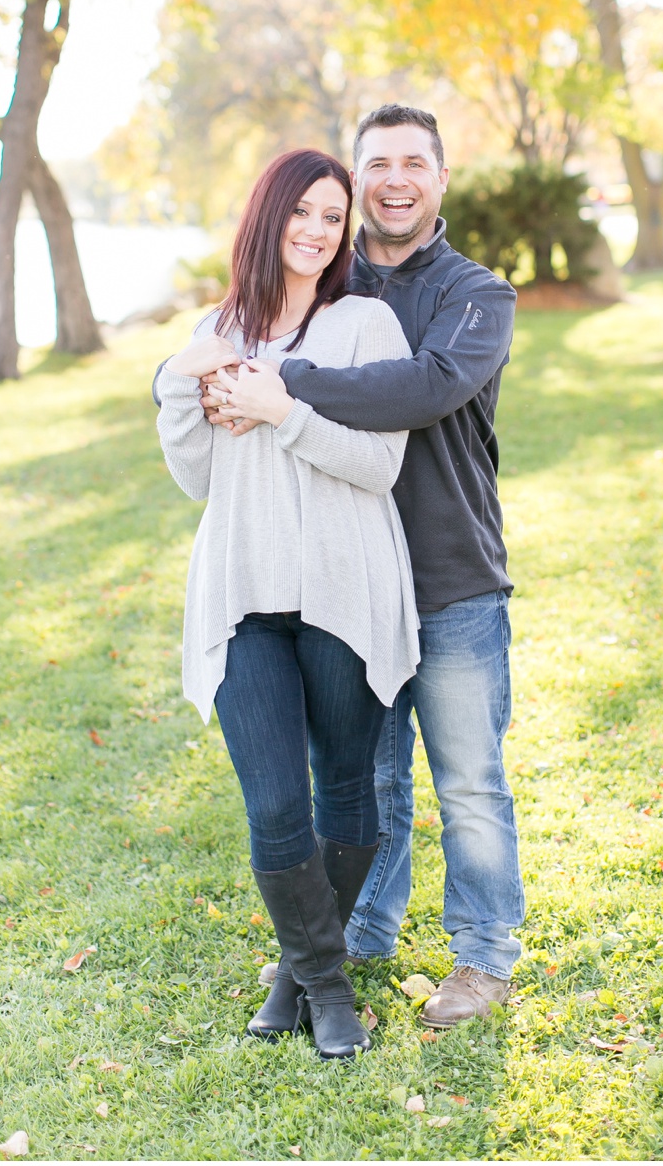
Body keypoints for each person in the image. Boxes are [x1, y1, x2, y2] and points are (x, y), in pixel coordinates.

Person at [203, 103, 523, 1030]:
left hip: (451, 572)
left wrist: (283, 386)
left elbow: (422, 389)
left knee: (467, 778)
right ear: (352, 183)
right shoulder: (323, 292)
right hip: (342, 584)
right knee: (365, 776)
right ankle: (358, 929)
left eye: (413, 162)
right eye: (376, 163)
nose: (394, 178)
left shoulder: (476, 295)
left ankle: (483, 955)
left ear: (440, 179)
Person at [155, 147, 420, 1060]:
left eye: (332, 217)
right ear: (267, 216)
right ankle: (329, 987)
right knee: (274, 804)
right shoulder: (218, 327)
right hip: (242, 596)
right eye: (302, 211)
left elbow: (380, 464)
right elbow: (195, 476)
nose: (316, 231)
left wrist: (282, 411)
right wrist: (177, 383)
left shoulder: (365, 327)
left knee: (345, 785)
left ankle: (294, 978)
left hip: (344, 591)